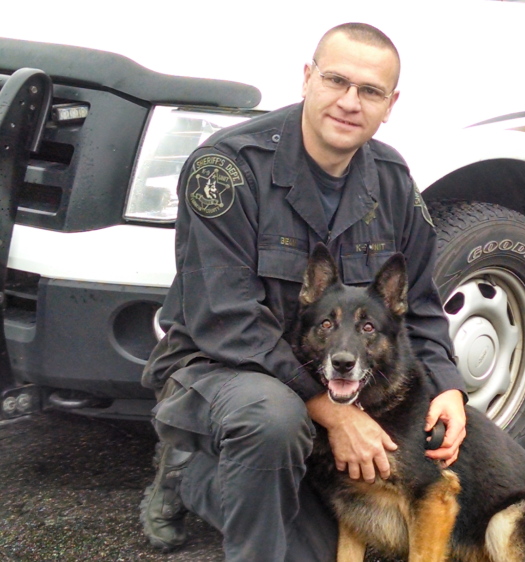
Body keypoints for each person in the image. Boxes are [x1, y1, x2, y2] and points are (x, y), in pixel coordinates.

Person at [139, 23, 467, 561]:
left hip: (325, 377)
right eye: (336, 80)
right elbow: (225, 320)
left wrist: (449, 388)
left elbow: (421, 308)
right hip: (221, 370)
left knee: (322, 549)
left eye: (370, 91)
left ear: (391, 104)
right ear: (308, 78)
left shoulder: (392, 181)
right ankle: (189, 471)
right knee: (272, 418)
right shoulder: (227, 168)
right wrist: (335, 414)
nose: (349, 102)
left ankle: (233, 476)